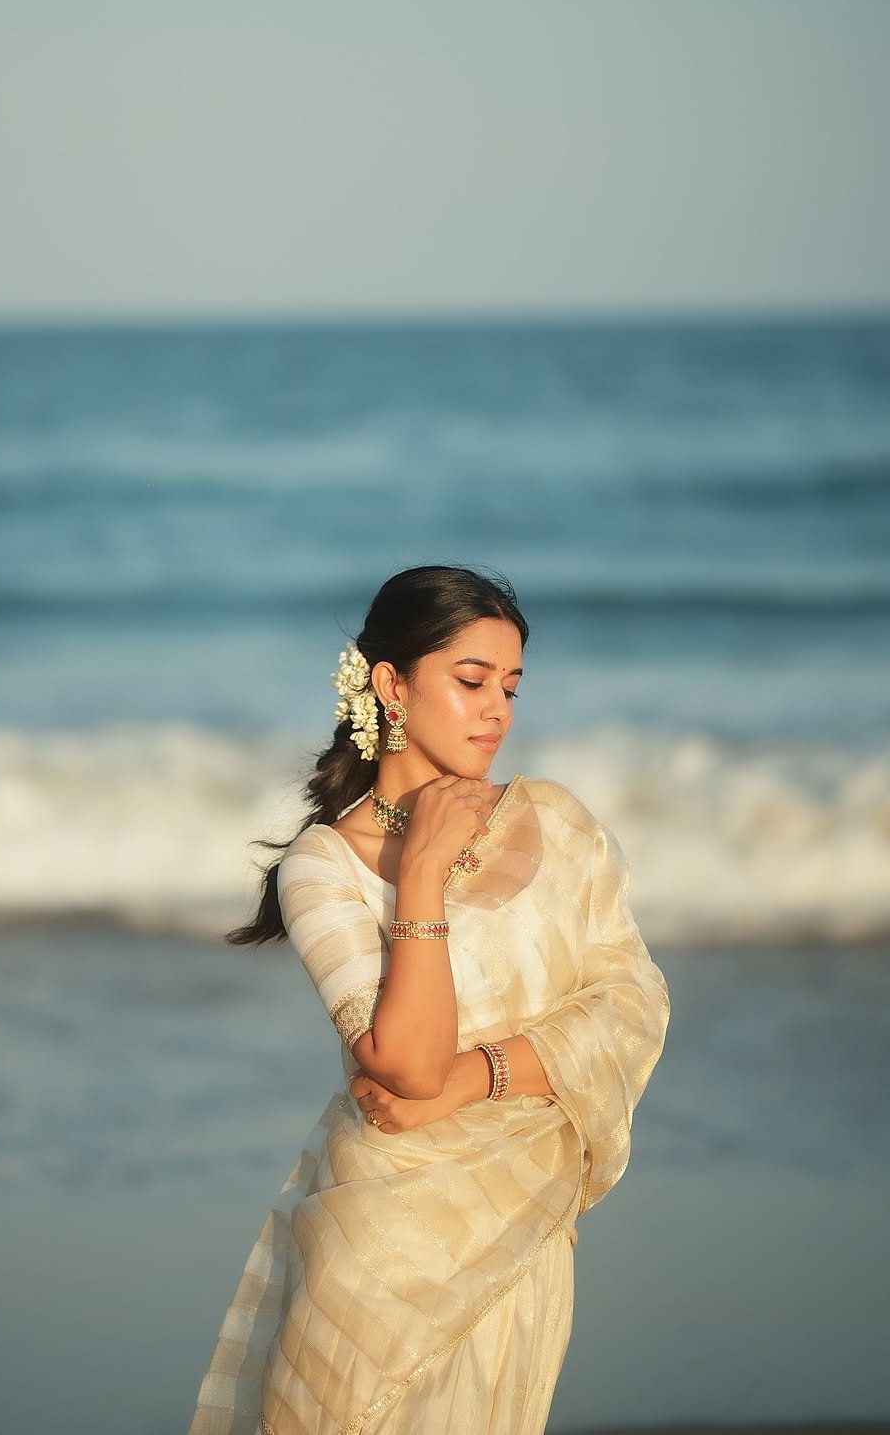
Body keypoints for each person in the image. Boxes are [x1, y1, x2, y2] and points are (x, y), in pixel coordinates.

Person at [187, 564, 670, 1435]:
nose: (498, 711)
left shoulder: (558, 824)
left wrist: (466, 1081)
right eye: (471, 680)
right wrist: (420, 873)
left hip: (514, 1237)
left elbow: (631, 1004)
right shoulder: (324, 865)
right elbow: (406, 1064)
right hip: (377, 1248)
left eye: (511, 686)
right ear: (391, 684)